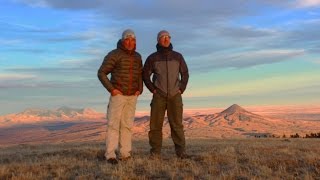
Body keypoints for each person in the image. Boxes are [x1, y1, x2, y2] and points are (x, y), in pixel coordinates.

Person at [98, 29, 143, 165]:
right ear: (123, 41)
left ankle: (125, 154)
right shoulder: (114, 54)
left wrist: (139, 90)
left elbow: (140, 74)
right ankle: (110, 155)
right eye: (127, 39)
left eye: (133, 40)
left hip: (132, 96)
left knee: (127, 125)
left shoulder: (137, 56)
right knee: (113, 125)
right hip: (118, 96)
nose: (130, 42)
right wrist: (112, 89)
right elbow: (101, 73)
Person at [143, 30, 189, 159]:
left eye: (167, 37)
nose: (165, 39)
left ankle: (181, 153)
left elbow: (185, 73)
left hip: (175, 95)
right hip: (159, 96)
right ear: (158, 40)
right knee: (155, 126)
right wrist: (153, 89)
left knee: (177, 125)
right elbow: (145, 75)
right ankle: (155, 153)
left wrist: (181, 88)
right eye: (162, 37)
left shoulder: (178, 56)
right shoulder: (152, 58)